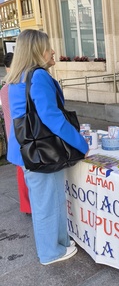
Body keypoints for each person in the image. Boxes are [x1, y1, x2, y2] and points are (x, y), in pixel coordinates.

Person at [6, 29, 89, 265]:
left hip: (28, 150)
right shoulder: (38, 75)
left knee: (49, 200)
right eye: (48, 47)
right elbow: (52, 117)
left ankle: (59, 242)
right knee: (47, 204)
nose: (53, 51)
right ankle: (50, 252)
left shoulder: (18, 76)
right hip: (41, 151)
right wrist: (81, 143)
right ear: (36, 50)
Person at [0, 52, 32, 215]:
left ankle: (27, 206)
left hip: (13, 133)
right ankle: (28, 206)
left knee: (22, 169)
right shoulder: (12, 87)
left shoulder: (7, 86)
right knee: (23, 170)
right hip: (20, 134)